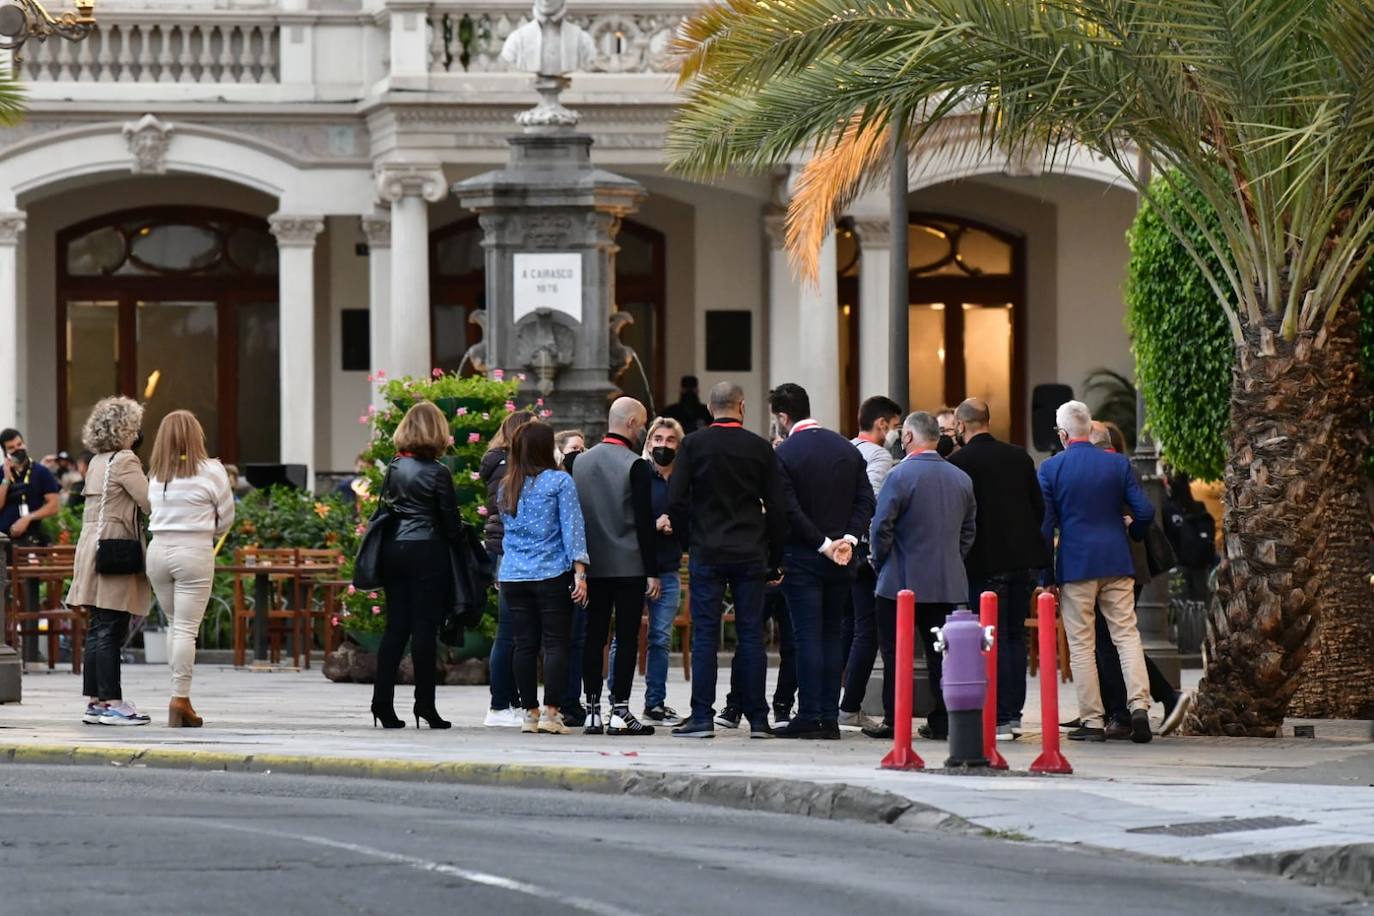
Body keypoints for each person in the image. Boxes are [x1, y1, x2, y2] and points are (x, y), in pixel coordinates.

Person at [667, 381, 788, 738]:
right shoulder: (759, 448)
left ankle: (702, 717)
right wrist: (775, 557)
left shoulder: (692, 444)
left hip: (708, 549)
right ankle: (759, 720)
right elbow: (778, 508)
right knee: (752, 635)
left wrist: (688, 541)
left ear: (709, 406)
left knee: (705, 635)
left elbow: (676, 501)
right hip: (750, 550)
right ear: (742, 406)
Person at [1039, 400, 1155, 744]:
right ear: (1089, 430)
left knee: (1082, 644)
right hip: (1117, 561)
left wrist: (1046, 577)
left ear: (1063, 435)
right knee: (1126, 635)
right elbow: (1145, 511)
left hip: (1076, 565)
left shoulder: (1050, 469)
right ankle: (1139, 707)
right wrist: (1132, 530)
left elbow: (1044, 528)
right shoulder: (1116, 463)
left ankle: (1092, 719)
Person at [768, 383, 874, 739]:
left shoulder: (786, 453)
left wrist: (823, 543)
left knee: (806, 637)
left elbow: (788, 509)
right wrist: (849, 538)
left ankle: (810, 714)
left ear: (783, 417)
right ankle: (829, 716)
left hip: (803, 557)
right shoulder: (846, 448)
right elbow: (866, 499)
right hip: (843, 560)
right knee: (832, 634)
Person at [866, 411, 977, 741]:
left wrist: (880, 560)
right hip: (948, 581)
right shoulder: (961, 478)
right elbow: (969, 530)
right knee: (941, 654)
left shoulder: (899, 476)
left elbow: (880, 525)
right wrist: (953, 559)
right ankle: (943, 720)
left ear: (910, 438)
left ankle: (893, 717)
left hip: (900, 580)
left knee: (894, 652)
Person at [947, 397, 1049, 740]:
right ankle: (1013, 714)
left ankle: (997, 715)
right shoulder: (1019, 456)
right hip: (1022, 562)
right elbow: (1039, 507)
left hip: (983, 563)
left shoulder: (959, 462)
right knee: (1015, 636)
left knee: (989, 638)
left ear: (961, 426)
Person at [370, 402, 468, 730]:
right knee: (424, 629)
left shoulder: (395, 467)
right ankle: (425, 705)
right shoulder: (438, 472)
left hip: (394, 549)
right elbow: (451, 524)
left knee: (395, 627)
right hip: (428, 550)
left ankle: (382, 703)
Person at [571, 397, 659, 736]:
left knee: (593, 637)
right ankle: (619, 710)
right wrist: (651, 570)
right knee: (625, 637)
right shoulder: (634, 464)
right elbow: (643, 521)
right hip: (628, 564)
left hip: (591, 565)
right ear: (633, 424)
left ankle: (591, 708)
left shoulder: (579, 463)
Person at [64, 398, 152, 726]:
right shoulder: (126, 460)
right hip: (115, 547)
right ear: (125, 428)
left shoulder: (99, 460)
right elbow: (148, 502)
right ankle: (113, 701)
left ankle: (96, 701)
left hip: (92, 545)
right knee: (111, 626)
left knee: (98, 626)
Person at [145, 410, 236, 728]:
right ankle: (179, 699)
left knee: (174, 625)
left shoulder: (156, 474)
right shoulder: (212, 471)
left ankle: (180, 696)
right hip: (193, 551)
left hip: (157, 552)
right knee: (185, 629)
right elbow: (226, 519)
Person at [499, 420, 589, 735]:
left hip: (514, 574)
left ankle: (529, 713)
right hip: (551, 572)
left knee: (523, 645)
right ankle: (552, 713)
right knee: (555, 643)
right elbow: (572, 528)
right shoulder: (559, 482)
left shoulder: (507, 484)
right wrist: (580, 572)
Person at [608, 415, 686, 725]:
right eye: (658, 439)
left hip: (668, 567)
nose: (663, 446)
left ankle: (655, 703)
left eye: (670, 441)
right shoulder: (638, 474)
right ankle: (617, 700)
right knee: (624, 636)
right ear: (648, 442)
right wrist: (654, 526)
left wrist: (675, 525)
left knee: (660, 638)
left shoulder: (683, 480)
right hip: (634, 567)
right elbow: (623, 519)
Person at [839, 395, 903, 729]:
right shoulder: (879, 456)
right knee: (868, 631)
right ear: (881, 424)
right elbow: (873, 502)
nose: (896, 433)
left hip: (840, 549)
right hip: (864, 553)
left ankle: (837, 702)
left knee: (848, 628)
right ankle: (850, 706)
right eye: (894, 426)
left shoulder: (845, 449)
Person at [478, 410, 535, 727]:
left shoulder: (496, 462)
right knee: (509, 632)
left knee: (512, 632)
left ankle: (508, 701)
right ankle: (499, 704)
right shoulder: (510, 466)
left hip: (499, 548)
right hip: (509, 551)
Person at [1, 427, 62, 546]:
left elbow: (54, 506)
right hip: (3, 540)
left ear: (24, 444)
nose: (17, 449)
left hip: (31, 539)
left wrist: (28, 518)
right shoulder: (1, 472)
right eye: (11, 448)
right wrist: (6, 479)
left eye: (19, 444)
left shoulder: (41, 471)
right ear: (5, 453)